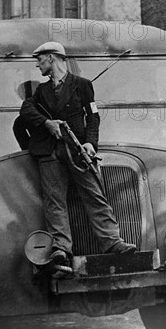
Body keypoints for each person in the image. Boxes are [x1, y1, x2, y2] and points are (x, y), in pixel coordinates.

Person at [20, 42, 136, 271]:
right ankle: (61, 248)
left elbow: (93, 118)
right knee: (55, 202)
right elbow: (26, 110)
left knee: (95, 195)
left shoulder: (83, 85)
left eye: (40, 59)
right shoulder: (41, 92)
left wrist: (91, 144)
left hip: (78, 151)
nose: (37, 65)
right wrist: (47, 123)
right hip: (51, 153)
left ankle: (112, 242)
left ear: (52, 58)